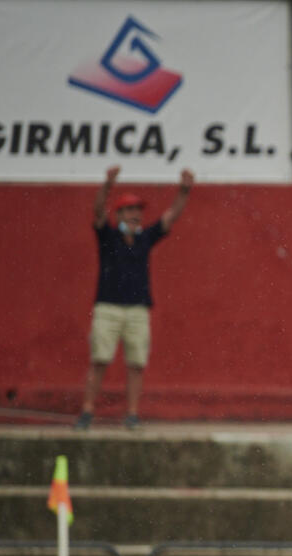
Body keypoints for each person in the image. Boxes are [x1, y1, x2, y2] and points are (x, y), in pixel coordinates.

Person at [75, 165, 193, 430]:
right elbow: (98, 211)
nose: (135, 215)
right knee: (100, 360)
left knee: (136, 364)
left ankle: (131, 414)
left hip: (138, 310)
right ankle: (87, 411)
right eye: (129, 210)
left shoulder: (144, 239)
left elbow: (171, 216)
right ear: (118, 214)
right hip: (108, 307)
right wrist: (107, 184)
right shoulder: (108, 236)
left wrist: (184, 191)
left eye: (138, 210)